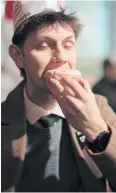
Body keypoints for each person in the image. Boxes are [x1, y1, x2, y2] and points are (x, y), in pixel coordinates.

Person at [1, 1, 116, 192]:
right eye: (44, 45)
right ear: (17, 56)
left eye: (68, 44)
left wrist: (95, 128)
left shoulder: (98, 106)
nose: (61, 56)